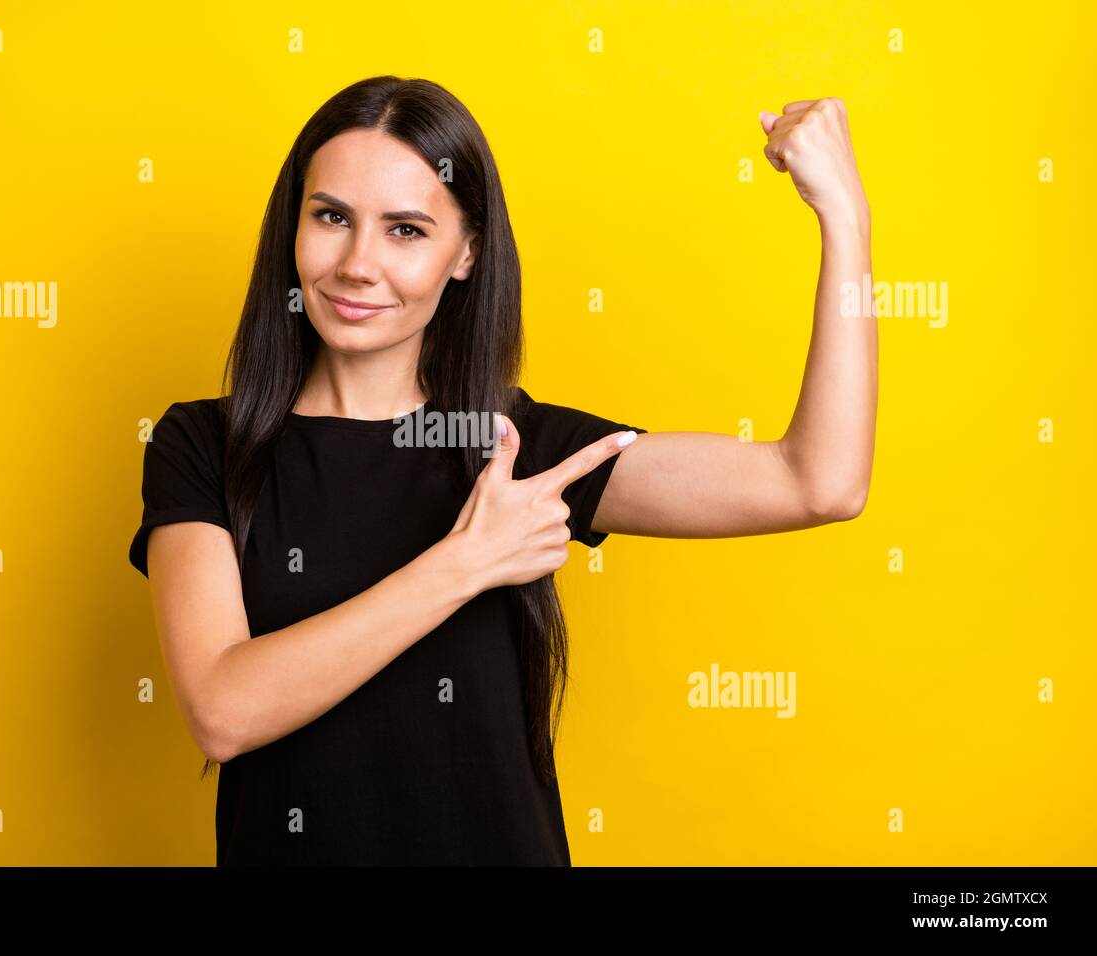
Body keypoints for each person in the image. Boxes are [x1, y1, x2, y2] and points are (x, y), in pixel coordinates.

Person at [128, 76, 876, 865]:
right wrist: (467, 562)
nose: (357, 263)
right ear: (295, 227)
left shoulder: (519, 453)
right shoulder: (203, 444)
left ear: (467, 255)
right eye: (332, 217)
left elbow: (818, 482)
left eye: (407, 231)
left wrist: (846, 219)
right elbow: (222, 710)